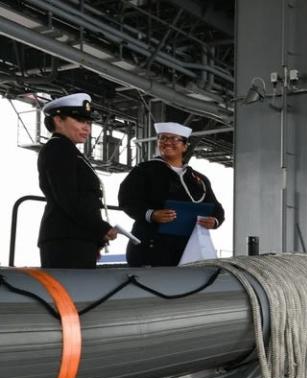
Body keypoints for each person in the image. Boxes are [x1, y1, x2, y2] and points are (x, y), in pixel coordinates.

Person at [118, 122, 224, 266]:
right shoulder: (143, 170)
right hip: (151, 246)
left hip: (188, 249)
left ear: (185, 146)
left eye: (175, 139)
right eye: (163, 138)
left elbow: (216, 208)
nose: (167, 142)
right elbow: (127, 200)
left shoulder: (199, 179)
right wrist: (151, 214)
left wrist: (214, 221)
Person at [36, 93, 117, 268]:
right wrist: (100, 228)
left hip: (76, 237)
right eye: (80, 121)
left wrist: (95, 236)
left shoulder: (67, 149)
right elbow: (68, 197)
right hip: (66, 238)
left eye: (88, 123)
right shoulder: (58, 148)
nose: (87, 128)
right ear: (58, 120)